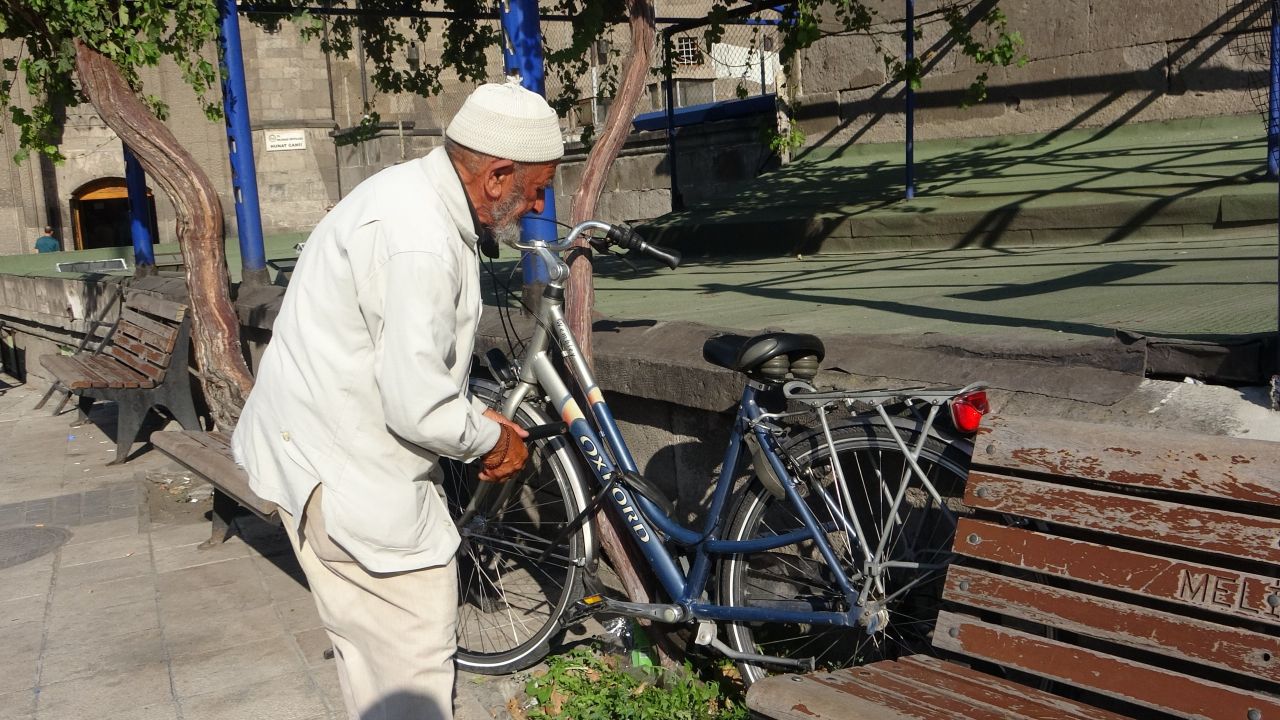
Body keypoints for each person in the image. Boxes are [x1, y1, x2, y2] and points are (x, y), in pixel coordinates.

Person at [232, 79, 562, 720]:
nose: (539, 204)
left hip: (317, 457)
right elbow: (418, 405)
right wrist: (494, 438)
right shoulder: (421, 238)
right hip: (346, 478)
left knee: (374, 669)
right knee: (412, 668)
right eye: (538, 187)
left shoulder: (411, 196)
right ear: (497, 176)